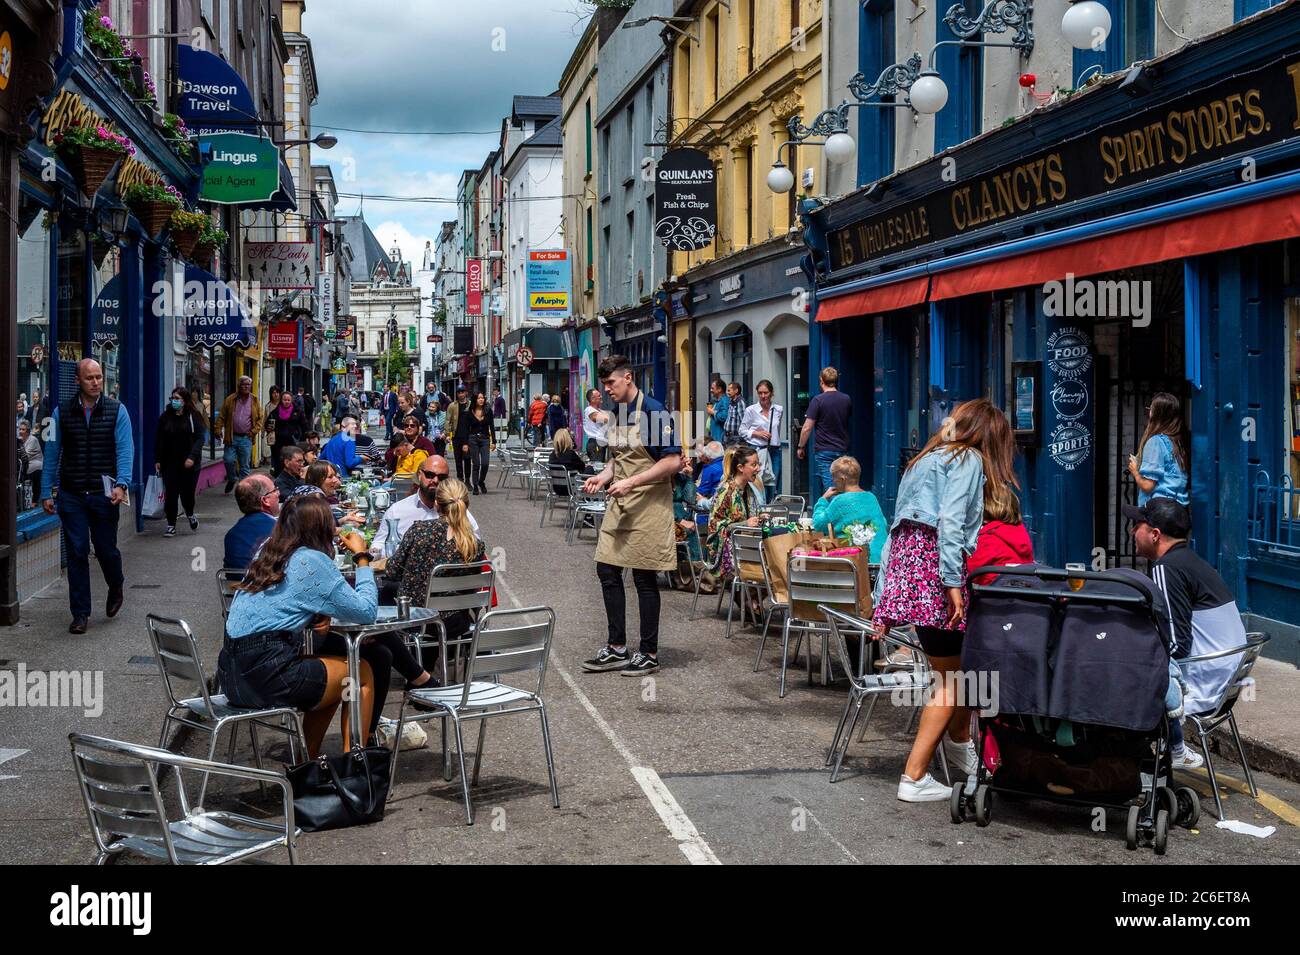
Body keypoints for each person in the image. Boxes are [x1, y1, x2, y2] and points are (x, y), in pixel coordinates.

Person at [872, 398, 1016, 802]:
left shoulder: (924, 459)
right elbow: (951, 522)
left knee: (951, 670)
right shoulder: (967, 459)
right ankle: (914, 776)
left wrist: (884, 599)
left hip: (909, 572)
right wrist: (953, 582)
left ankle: (958, 745)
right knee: (954, 680)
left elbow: (896, 526)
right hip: (938, 572)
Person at [220, 495, 378, 754]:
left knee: (333, 676)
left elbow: (278, 602)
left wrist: (316, 612)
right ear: (322, 527)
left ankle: (307, 760)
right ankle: (354, 767)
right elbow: (366, 611)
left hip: (232, 675)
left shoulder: (267, 552)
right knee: (361, 673)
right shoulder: (311, 561)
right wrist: (362, 557)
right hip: (269, 676)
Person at [1126, 497, 1245, 770]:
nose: (1133, 532)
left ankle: (1142, 766)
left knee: (1123, 679)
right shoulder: (1191, 561)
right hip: (1227, 682)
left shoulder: (1167, 568)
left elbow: (1176, 643)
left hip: (1205, 685)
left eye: (1137, 525)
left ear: (1155, 534)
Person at [581, 355, 681, 676]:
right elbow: (619, 458)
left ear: (628, 377)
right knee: (607, 569)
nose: (606, 389)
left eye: (611, 383)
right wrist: (605, 476)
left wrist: (631, 482)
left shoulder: (653, 411)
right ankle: (617, 648)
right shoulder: (617, 413)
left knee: (643, 576)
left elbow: (672, 461)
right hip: (621, 500)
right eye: (604, 383)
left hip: (649, 503)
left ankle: (649, 652)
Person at [40, 358, 132, 634]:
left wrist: (123, 484)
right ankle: (80, 613)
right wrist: (46, 491)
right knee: (77, 552)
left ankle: (116, 584)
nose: (95, 382)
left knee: (106, 550)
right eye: (90, 378)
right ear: (78, 381)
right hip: (72, 494)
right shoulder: (60, 413)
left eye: (99, 377)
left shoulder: (118, 411)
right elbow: (52, 454)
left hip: (104, 496)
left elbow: (125, 451)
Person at [384, 477, 487, 644]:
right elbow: (472, 587)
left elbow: (392, 571)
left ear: (437, 504)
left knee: (386, 590)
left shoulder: (419, 531)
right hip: (456, 622)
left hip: (418, 619)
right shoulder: (474, 544)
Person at [371, 453, 479, 554]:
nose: (435, 480)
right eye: (430, 475)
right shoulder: (397, 511)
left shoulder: (459, 512)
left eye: (442, 477)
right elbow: (379, 543)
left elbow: (475, 544)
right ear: (419, 475)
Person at [809, 455, 887, 563]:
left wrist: (823, 499)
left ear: (842, 479)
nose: (832, 481)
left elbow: (818, 524)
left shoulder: (840, 501)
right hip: (882, 558)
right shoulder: (871, 497)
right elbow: (883, 523)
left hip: (858, 561)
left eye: (833, 477)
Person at [154, 386, 207, 537]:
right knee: (171, 494)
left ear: (185, 401)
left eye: (177, 399)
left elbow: (200, 438)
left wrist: (192, 457)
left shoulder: (193, 416)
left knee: (187, 494)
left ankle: (190, 513)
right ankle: (171, 524)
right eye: (173, 398)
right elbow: (159, 439)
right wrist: (158, 459)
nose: (174, 401)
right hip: (169, 463)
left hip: (189, 464)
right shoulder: (165, 417)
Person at [705, 446, 764, 578]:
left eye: (758, 464)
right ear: (740, 468)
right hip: (725, 553)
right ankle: (748, 597)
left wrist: (760, 517)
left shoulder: (749, 490)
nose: (758, 469)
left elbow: (750, 516)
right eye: (754, 465)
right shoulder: (725, 491)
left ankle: (749, 597)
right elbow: (716, 527)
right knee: (765, 567)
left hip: (745, 546)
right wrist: (745, 524)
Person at [797, 367, 853, 501]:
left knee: (830, 488)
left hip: (824, 450)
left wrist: (800, 446)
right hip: (842, 449)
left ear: (822, 381)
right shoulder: (846, 399)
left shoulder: (818, 400)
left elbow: (807, 427)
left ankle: (834, 519)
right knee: (843, 486)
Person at [1128, 391, 1189, 506]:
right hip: (1178, 510)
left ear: (1157, 414)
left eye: (1151, 409)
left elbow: (1147, 486)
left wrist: (1135, 471)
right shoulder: (1178, 442)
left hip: (1158, 512)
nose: (1149, 412)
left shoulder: (1155, 442)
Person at [215, 376, 262, 494]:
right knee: (228, 460)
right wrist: (218, 428)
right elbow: (222, 416)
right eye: (243, 384)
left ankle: (243, 490)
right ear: (239, 386)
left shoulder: (255, 400)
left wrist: (253, 431)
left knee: (244, 466)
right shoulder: (231, 399)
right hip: (232, 437)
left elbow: (260, 420)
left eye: (248, 384)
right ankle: (232, 478)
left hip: (246, 438)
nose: (246, 386)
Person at [223, 474, 280, 571]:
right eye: (274, 490)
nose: (279, 493)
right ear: (265, 500)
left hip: (235, 585)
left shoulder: (231, 535)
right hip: (267, 584)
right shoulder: (280, 529)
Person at [741, 379, 785, 500]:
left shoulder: (778, 410)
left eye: (765, 393)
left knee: (773, 482)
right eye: (760, 393)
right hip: (757, 450)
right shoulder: (751, 410)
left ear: (771, 393)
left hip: (774, 450)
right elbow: (742, 430)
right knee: (757, 482)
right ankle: (758, 507)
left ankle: (770, 508)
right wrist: (756, 433)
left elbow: (777, 430)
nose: (763, 396)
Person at [268, 390, 306, 476]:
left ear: (291, 400)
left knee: (292, 460)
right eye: (284, 400)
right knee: (279, 462)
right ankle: (279, 479)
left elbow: (304, 425)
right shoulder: (275, 412)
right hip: (278, 443)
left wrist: (303, 438)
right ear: (281, 400)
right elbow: (268, 423)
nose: (286, 402)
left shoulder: (297, 411)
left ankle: (292, 477)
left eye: (288, 400)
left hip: (292, 441)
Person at [463, 391, 493, 495]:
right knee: (476, 463)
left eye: (482, 398)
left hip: (485, 439)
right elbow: (466, 429)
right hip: (473, 439)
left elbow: (492, 426)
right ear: (475, 400)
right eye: (479, 398)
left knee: (485, 463)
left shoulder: (488, 411)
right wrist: (465, 444)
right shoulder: (469, 412)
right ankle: (475, 485)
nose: (481, 400)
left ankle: (481, 481)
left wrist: (494, 441)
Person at [694, 440, 725, 531]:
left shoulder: (710, 469)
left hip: (711, 509)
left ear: (709, 456)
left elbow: (702, 491)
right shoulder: (726, 463)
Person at [548, 428, 588, 495]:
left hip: (556, 488)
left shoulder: (552, 455)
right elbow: (582, 467)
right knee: (590, 470)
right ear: (568, 440)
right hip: (571, 488)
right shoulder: (571, 454)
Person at [17, 419, 42, 508]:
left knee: (32, 469)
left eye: (23, 430)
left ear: (27, 431)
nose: (20, 431)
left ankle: (34, 500)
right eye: (20, 429)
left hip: (35, 462)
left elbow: (26, 455)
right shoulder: (19, 439)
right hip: (24, 462)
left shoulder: (33, 439)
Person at [582, 388, 609, 463]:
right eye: (599, 396)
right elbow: (601, 418)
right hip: (595, 443)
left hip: (601, 443)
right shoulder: (589, 409)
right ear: (592, 399)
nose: (601, 397)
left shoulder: (599, 410)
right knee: (597, 468)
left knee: (601, 466)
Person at [450, 387, 471, 481]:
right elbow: (448, 420)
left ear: (465, 393)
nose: (461, 394)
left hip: (468, 436)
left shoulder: (470, 405)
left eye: (462, 392)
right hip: (456, 436)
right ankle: (460, 478)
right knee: (458, 459)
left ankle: (467, 479)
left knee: (467, 459)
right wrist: (447, 433)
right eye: (459, 392)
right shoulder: (452, 406)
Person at [722, 381, 745, 446]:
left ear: (736, 391)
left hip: (735, 437)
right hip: (728, 436)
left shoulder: (740, 402)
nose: (727, 392)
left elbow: (743, 421)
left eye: (729, 390)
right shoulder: (731, 401)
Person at [705, 378, 728, 444]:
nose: (711, 390)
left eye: (712, 388)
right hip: (715, 435)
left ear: (719, 389)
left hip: (720, 436)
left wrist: (712, 412)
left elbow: (724, 416)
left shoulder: (724, 400)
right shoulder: (718, 401)